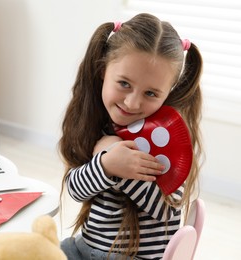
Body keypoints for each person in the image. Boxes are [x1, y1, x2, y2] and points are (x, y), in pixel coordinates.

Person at [59, 13, 203, 260]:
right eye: (124, 83)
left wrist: (122, 167)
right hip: (87, 248)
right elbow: (75, 189)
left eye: (151, 93)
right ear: (103, 70)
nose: (132, 102)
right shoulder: (99, 124)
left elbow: (167, 212)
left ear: (169, 92)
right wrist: (105, 165)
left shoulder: (167, 138)